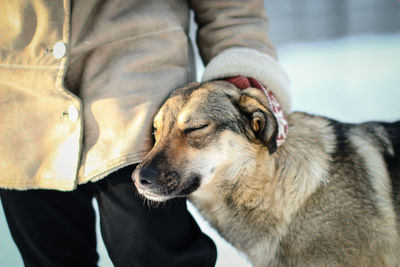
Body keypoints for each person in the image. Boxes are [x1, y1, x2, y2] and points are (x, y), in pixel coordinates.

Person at [0, 0, 290, 266]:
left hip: (139, 108)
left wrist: (247, 87)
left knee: (152, 257)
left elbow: (232, 10)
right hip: (21, 118)